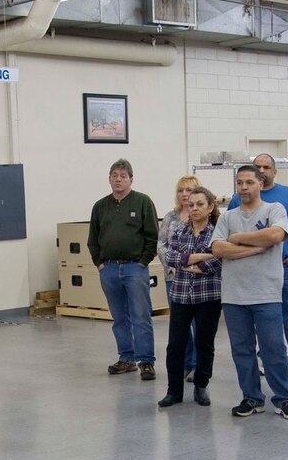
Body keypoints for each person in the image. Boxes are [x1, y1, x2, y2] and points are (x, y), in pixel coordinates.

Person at [211, 165, 288, 421]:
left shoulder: (275, 210)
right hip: (234, 297)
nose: (243, 187)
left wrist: (238, 239)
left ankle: (284, 399)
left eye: (249, 182)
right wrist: (253, 247)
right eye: (239, 183)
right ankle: (251, 397)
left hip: (266, 294)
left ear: (260, 184)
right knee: (242, 350)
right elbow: (218, 248)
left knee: (273, 348)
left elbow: (275, 235)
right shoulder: (228, 217)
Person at [228, 154, 288, 376]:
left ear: (274, 172)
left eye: (266, 167)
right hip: (253, 269)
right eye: (258, 167)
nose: (262, 170)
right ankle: (263, 357)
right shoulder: (238, 199)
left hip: (284, 266)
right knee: (260, 316)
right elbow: (232, 232)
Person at [88, 159, 159, 381]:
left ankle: (146, 361)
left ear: (131, 179)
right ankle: (126, 358)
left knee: (141, 315)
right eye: (114, 175)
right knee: (119, 317)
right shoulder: (100, 206)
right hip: (108, 269)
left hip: (135, 269)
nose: (118, 179)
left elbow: (152, 236)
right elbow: (93, 239)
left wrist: (143, 261)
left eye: (123, 176)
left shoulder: (142, 202)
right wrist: (99, 263)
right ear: (109, 178)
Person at [159, 187, 222, 408]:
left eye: (200, 204)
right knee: (175, 344)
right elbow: (170, 257)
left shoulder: (218, 234)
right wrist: (196, 258)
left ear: (210, 207)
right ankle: (173, 391)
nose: (194, 208)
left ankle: (201, 386)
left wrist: (190, 264)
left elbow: (219, 260)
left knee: (205, 343)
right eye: (191, 205)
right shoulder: (179, 232)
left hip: (208, 296)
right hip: (180, 295)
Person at [157, 175, 200, 381]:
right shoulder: (170, 217)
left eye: (189, 190)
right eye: (181, 190)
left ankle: (200, 365)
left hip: (200, 279)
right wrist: (173, 265)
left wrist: (193, 266)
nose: (185, 194)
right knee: (180, 324)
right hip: (174, 278)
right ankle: (187, 363)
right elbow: (161, 245)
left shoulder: (203, 217)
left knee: (198, 325)